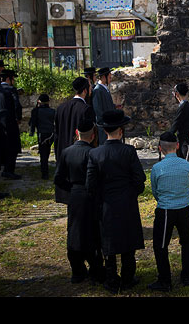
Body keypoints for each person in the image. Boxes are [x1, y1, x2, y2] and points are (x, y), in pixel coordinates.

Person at [86, 109, 145, 294]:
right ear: (121, 131)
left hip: (106, 204)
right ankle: (128, 278)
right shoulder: (128, 151)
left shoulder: (95, 154)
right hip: (126, 202)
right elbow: (139, 178)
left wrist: (101, 199)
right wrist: (132, 193)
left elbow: (90, 184)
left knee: (109, 242)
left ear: (105, 131)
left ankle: (111, 279)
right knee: (128, 240)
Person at [54, 119, 105, 284]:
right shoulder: (93, 153)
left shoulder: (66, 152)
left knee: (74, 230)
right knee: (93, 231)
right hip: (90, 196)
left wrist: (72, 188)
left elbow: (58, 178)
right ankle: (95, 267)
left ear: (77, 133)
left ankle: (77, 269)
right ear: (93, 135)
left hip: (75, 195)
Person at [148, 131, 189, 292]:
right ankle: (186, 276)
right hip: (184, 207)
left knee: (160, 245)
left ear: (160, 148)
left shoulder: (157, 168)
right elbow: (188, 184)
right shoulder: (186, 164)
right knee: (187, 242)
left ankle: (165, 279)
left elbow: (155, 190)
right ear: (178, 146)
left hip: (165, 209)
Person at [54, 77, 96, 204]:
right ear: (84, 90)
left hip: (63, 152)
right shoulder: (86, 109)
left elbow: (56, 134)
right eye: (89, 87)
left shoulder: (61, 108)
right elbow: (91, 134)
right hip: (80, 156)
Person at [0, 69, 22, 180]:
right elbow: (17, 105)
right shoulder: (11, 90)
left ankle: (3, 167)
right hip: (10, 121)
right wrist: (18, 118)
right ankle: (9, 170)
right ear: (9, 79)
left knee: (2, 145)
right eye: (13, 79)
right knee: (12, 146)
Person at [29, 93, 55, 179]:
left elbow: (32, 123)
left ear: (39, 101)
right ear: (48, 102)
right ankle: (46, 170)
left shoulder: (36, 111)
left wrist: (31, 132)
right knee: (47, 152)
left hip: (42, 134)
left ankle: (44, 173)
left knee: (43, 154)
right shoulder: (52, 111)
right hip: (51, 134)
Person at [92, 67, 117, 145]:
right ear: (103, 77)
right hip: (104, 127)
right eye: (109, 77)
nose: (110, 79)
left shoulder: (105, 89)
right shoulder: (97, 90)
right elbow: (98, 110)